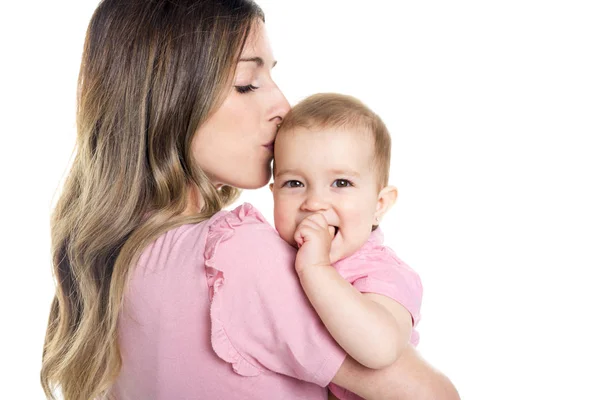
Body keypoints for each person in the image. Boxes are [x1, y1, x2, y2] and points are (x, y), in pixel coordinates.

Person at [40, 1, 460, 399]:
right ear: (170, 98)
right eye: (246, 84)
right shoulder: (233, 256)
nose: (283, 106)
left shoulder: (107, 258)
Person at [269, 93, 422, 400]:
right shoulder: (272, 257)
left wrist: (316, 269)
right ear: (273, 194)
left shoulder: (382, 273)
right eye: (294, 184)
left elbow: (380, 349)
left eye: (341, 183)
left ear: (379, 204)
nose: (313, 203)